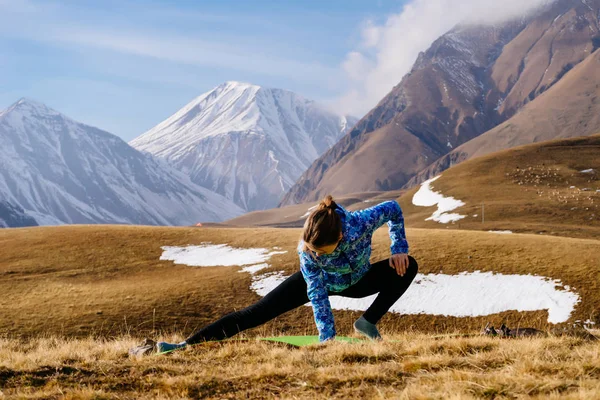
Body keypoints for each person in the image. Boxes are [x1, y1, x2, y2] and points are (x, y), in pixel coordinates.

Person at [156, 195, 418, 352]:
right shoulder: (307, 252)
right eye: (314, 251)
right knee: (255, 313)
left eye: (323, 251)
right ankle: (186, 346)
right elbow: (318, 296)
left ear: (340, 236)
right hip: (322, 283)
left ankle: (367, 322)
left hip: (360, 279)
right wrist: (327, 338)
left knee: (409, 266)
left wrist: (399, 248)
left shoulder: (360, 222)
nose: (318, 255)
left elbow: (394, 209)